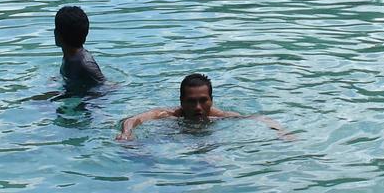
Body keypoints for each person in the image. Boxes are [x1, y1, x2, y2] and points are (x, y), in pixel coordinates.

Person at [118, 73, 291, 140]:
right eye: (191, 101)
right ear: (181, 101)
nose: (198, 107)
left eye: (203, 100)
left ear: (211, 100)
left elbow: (258, 117)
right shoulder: (167, 114)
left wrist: (281, 131)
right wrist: (126, 133)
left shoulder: (220, 115)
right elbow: (133, 119)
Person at [55, 5, 105, 91]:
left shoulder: (85, 64)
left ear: (57, 34)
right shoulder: (70, 56)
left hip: (88, 101)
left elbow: (107, 86)